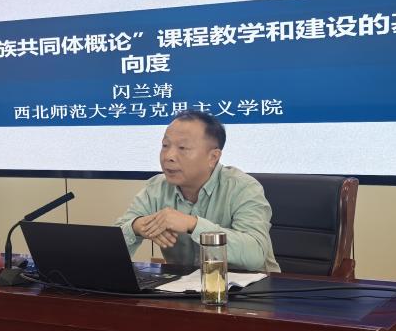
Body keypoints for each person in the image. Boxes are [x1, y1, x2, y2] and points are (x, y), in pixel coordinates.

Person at [115, 110, 281, 272]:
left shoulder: (243, 187)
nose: (168, 156)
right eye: (165, 145)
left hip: (252, 286)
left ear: (213, 157)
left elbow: (255, 254)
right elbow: (112, 244)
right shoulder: (155, 188)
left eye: (182, 147)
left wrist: (193, 225)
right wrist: (136, 227)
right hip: (184, 286)